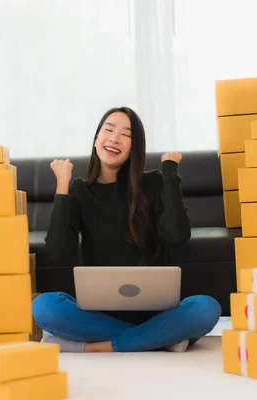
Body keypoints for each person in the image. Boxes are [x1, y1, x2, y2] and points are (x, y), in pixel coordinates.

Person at [32, 106, 222, 353]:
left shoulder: (153, 183)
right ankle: (159, 339)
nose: (114, 138)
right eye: (108, 130)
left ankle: (100, 346)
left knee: (206, 308)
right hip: (98, 313)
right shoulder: (79, 190)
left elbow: (176, 236)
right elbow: (58, 250)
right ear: (96, 139)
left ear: (135, 147)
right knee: (44, 307)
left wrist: (170, 171)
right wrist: (62, 186)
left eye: (126, 134)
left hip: (155, 312)